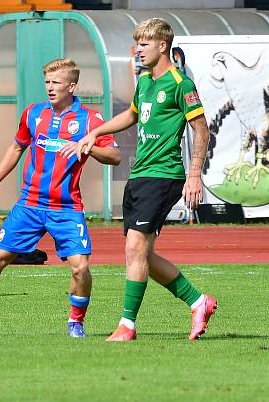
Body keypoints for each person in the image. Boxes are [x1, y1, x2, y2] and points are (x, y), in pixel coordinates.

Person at [0, 59, 121, 336]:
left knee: (80, 268)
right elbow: (16, 147)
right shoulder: (33, 113)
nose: (50, 87)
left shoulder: (91, 120)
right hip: (29, 204)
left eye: (56, 82)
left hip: (66, 208)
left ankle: (75, 322)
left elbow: (115, 156)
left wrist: (88, 145)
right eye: (47, 82)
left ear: (72, 86)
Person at [73, 18, 217, 341]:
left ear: (162, 45)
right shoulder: (146, 81)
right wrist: (96, 131)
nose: (138, 49)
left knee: (135, 248)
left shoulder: (181, 84)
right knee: (142, 255)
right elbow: (132, 116)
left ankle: (127, 325)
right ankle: (198, 301)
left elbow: (202, 129)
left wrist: (194, 175)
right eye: (137, 43)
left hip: (164, 175)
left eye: (144, 44)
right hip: (140, 175)